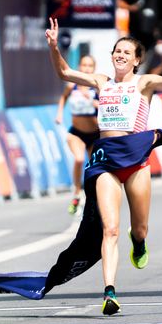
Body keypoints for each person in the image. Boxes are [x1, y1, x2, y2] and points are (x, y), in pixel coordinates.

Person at [45, 17, 162, 315]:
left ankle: (139, 241)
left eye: (126, 52)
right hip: (105, 161)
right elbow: (64, 71)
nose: (120, 55)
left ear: (137, 60)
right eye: (117, 50)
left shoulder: (145, 84)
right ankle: (109, 293)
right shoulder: (102, 82)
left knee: (139, 228)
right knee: (111, 229)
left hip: (136, 161)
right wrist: (53, 47)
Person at [55, 55, 100, 215]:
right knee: (79, 159)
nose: (86, 68)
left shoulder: (96, 88)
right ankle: (76, 192)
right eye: (84, 65)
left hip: (94, 135)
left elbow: (106, 106)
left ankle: (93, 198)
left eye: (90, 66)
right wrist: (60, 113)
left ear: (94, 69)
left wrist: (94, 102)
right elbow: (63, 97)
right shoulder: (72, 86)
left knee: (94, 168)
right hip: (76, 133)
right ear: (80, 67)